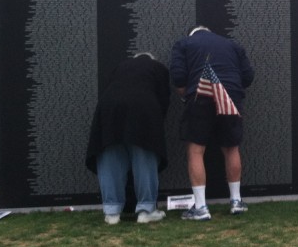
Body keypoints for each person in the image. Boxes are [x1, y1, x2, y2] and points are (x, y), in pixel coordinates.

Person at [169, 25, 255, 220]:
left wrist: (186, 95)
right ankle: (236, 201)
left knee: (196, 150)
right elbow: (248, 77)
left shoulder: (184, 44)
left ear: (191, 33)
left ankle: (200, 207)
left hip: (200, 96)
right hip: (230, 97)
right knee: (231, 148)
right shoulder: (232, 45)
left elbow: (178, 77)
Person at [86, 52, 171, 224]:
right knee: (144, 158)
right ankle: (146, 210)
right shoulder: (158, 68)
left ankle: (112, 212)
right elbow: (164, 99)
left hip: (109, 110)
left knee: (111, 158)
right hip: (143, 108)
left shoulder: (121, 66)